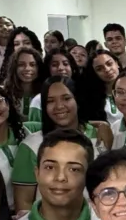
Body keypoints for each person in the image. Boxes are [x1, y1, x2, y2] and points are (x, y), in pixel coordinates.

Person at [13, 77, 109, 211]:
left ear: (77, 100)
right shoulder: (31, 145)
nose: (59, 106)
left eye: (66, 98)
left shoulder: (101, 135)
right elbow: (24, 202)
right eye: (50, 101)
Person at [14, 129, 105, 220]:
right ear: (37, 173)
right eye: (50, 167)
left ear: (88, 176)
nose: (60, 177)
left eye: (74, 169)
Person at [2, 47, 47, 122]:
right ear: (14, 68)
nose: (27, 68)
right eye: (21, 65)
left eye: (32, 65)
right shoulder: (3, 93)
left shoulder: (46, 93)